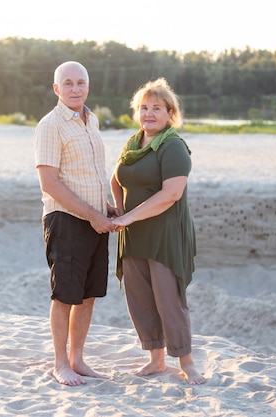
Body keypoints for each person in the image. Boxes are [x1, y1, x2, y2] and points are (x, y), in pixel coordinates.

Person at [110, 78, 206, 385]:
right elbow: (116, 179)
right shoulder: (133, 143)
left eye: (156, 108)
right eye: (143, 108)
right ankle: (156, 360)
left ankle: (187, 362)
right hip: (134, 233)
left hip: (164, 235)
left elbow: (171, 194)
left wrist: (129, 218)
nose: (148, 113)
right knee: (140, 298)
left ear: (170, 113)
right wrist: (120, 210)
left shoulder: (173, 146)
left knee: (169, 300)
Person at [33, 61, 118, 386]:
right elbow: (49, 183)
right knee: (65, 296)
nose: (75, 88)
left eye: (80, 82)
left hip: (95, 220)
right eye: (67, 83)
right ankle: (60, 363)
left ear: (88, 86)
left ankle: (77, 358)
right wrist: (92, 214)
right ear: (56, 89)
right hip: (66, 221)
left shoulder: (91, 120)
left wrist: (104, 208)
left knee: (88, 295)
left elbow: (89, 175)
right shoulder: (50, 125)